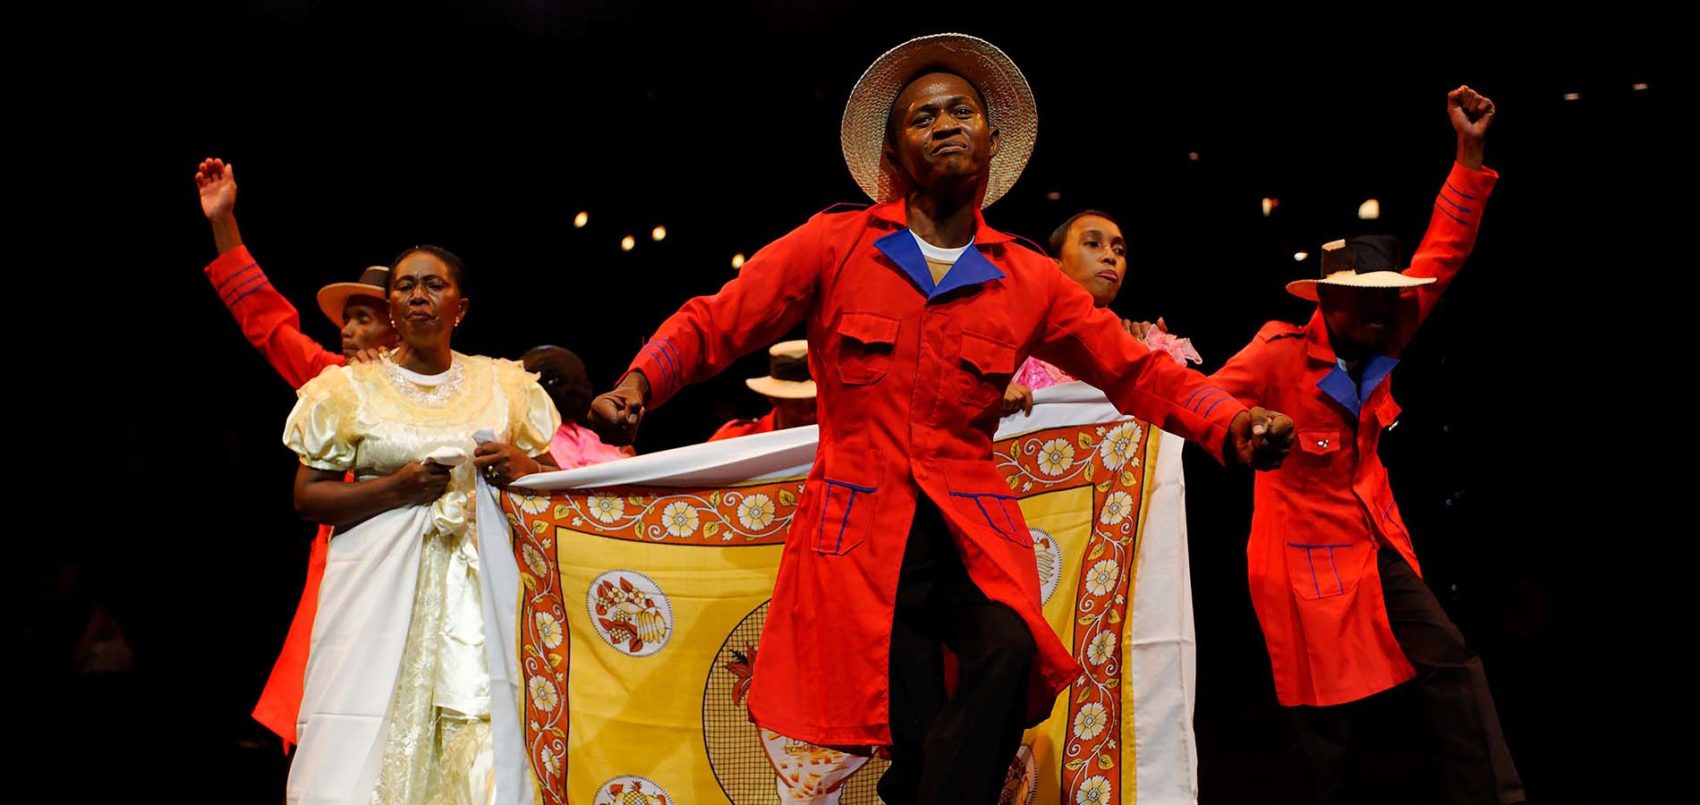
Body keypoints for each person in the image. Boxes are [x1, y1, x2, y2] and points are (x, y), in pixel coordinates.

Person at [587, 33, 1294, 804]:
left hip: (971, 528)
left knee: (1009, 648)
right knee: (921, 741)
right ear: (894, 151)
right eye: (924, 117)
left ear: (992, 139)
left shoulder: (1027, 276)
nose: (946, 123)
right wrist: (640, 382)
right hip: (860, 542)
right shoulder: (836, 244)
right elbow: (717, 319)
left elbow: (1136, 372)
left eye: (962, 110)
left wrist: (1230, 422)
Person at [1208, 86, 1522, 804]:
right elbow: (1206, 400)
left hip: (1373, 534)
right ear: (1330, 301)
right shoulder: (1278, 353)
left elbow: (1446, 248)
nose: (1386, 310)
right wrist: (1249, 425)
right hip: (1296, 554)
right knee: (1328, 719)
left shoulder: (1393, 325)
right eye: (1370, 299)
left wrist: (1469, 152)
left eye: (1390, 297)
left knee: (1453, 661)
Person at [284, 245, 560, 803]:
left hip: (483, 599)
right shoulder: (348, 390)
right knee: (367, 732)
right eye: (406, 285)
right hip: (378, 597)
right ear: (391, 307)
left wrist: (525, 467)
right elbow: (307, 498)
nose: (418, 295)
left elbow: (554, 485)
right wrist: (397, 489)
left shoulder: (505, 387)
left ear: (460, 307)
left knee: (481, 734)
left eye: (434, 285)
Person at [709, 339, 819, 440]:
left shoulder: (834, 442)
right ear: (773, 398)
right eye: (796, 405)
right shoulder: (735, 440)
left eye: (815, 405)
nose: (810, 415)